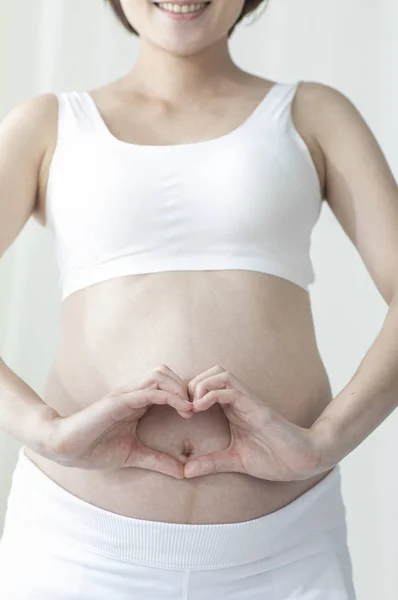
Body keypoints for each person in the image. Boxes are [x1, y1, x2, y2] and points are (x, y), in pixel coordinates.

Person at [1, 0, 398, 597]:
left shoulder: (312, 114)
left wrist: (324, 444)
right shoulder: (49, 124)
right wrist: (41, 429)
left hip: (284, 554)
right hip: (75, 547)